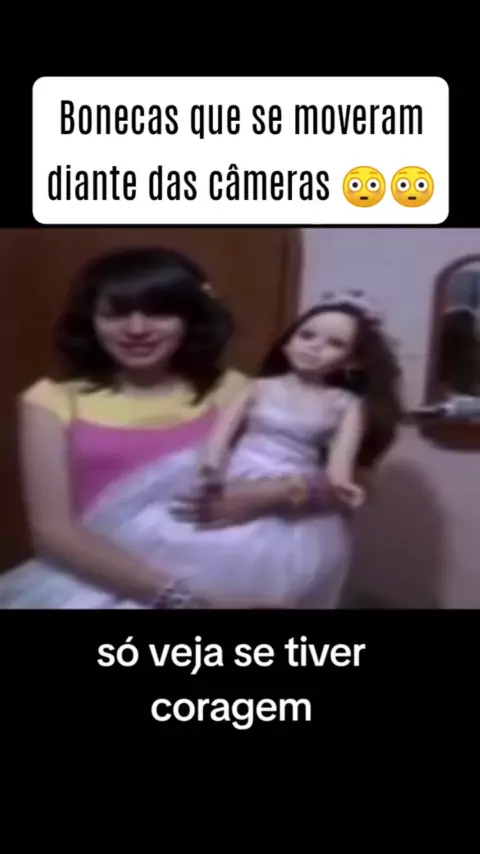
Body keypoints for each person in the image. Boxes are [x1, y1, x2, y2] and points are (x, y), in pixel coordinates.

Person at [0, 247, 374, 610]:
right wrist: (185, 601)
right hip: (99, 583)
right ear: (91, 321)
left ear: (190, 318)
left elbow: (345, 484)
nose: (136, 329)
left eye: (159, 312)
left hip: (229, 579)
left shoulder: (233, 389)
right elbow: (52, 533)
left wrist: (275, 493)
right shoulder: (51, 400)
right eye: (115, 313)